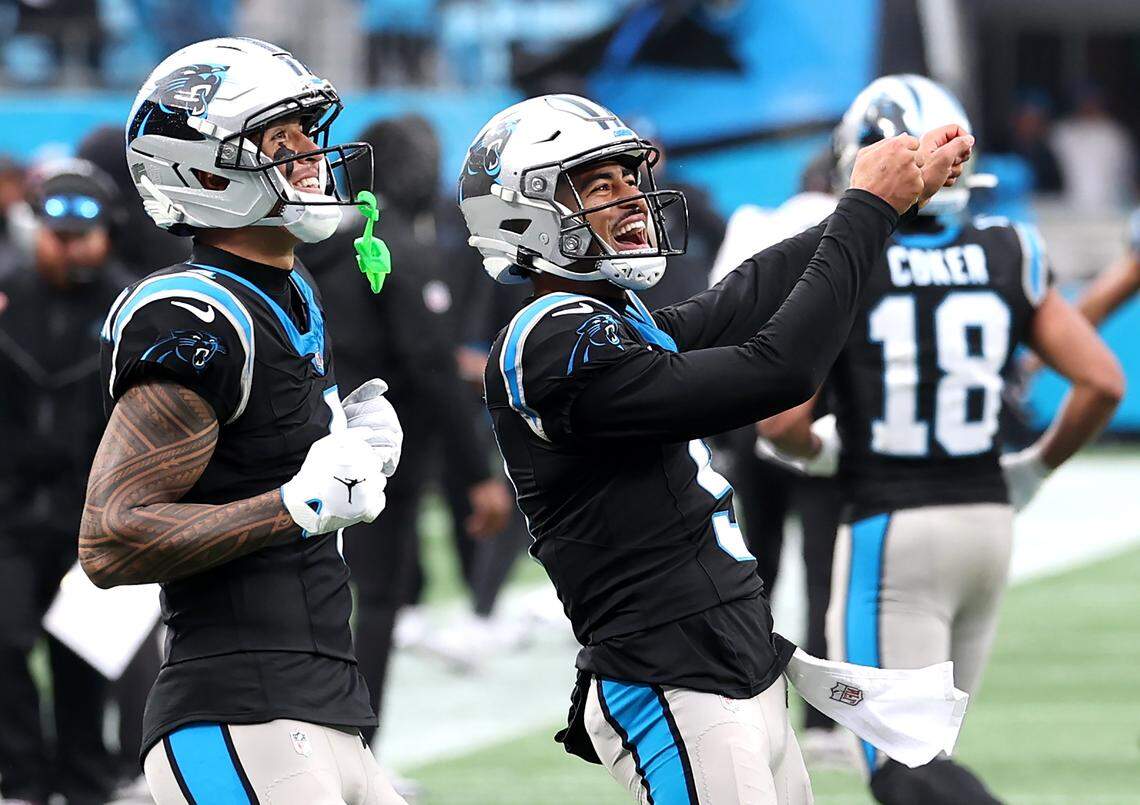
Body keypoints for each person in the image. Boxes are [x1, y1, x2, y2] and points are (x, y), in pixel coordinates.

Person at [459, 92, 972, 804]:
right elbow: (779, 369)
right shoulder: (551, 341)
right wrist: (866, 210)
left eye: (629, 179)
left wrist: (896, 202)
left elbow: (744, 295)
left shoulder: (604, 319)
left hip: (729, 664)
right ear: (525, 210)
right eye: (599, 185)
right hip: (675, 678)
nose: (631, 199)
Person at [757, 75, 1124, 805]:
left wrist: (825, 453)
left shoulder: (850, 258)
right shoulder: (1005, 247)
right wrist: (1034, 469)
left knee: (899, 766)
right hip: (987, 525)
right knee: (929, 761)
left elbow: (780, 422)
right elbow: (1104, 383)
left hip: (893, 526)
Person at [77, 37, 406, 804]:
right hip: (239, 710)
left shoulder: (291, 293)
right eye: (279, 141)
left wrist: (345, 448)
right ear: (203, 166)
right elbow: (109, 536)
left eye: (307, 138)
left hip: (322, 699)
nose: (311, 159)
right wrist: (296, 504)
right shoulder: (193, 314)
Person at [300, 113, 512, 756]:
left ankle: (303, 752)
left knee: (307, 598)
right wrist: (478, 474)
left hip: (297, 443)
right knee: (380, 599)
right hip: (376, 454)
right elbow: (430, 366)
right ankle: (356, 754)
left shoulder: (302, 242)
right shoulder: (394, 246)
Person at [0, 157, 131, 805]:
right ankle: (21, 776)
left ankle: (84, 779)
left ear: (107, 232)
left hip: (95, 517)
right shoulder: (8, 299)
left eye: (82, 235)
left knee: (82, 659)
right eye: (57, 234)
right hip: (11, 512)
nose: (70, 247)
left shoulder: (133, 308)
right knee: (2, 641)